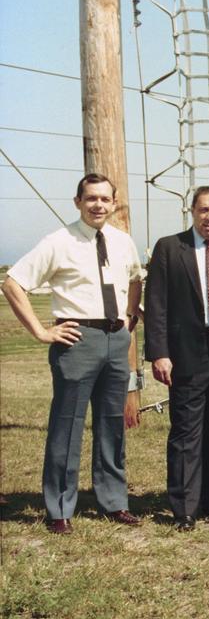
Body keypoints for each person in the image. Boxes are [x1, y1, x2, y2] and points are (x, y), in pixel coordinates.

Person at [3, 173, 144, 533]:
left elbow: (134, 278)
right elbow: (13, 282)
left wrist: (129, 318)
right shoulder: (58, 241)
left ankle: (113, 501)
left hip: (116, 339)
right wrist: (40, 331)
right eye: (91, 198)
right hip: (76, 339)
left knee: (112, 424)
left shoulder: (122, 240)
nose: (98, 205)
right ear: (78, 201)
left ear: (114, 204)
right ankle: (60, 507)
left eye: (104, 199)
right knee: (67, 425)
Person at [144, 185, 209, 530]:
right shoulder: (170, 248)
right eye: (204, 210)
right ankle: (185, 508)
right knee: (186, 432)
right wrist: (159, 353)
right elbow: (156, 304)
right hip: (186, 354)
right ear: (192, 211)